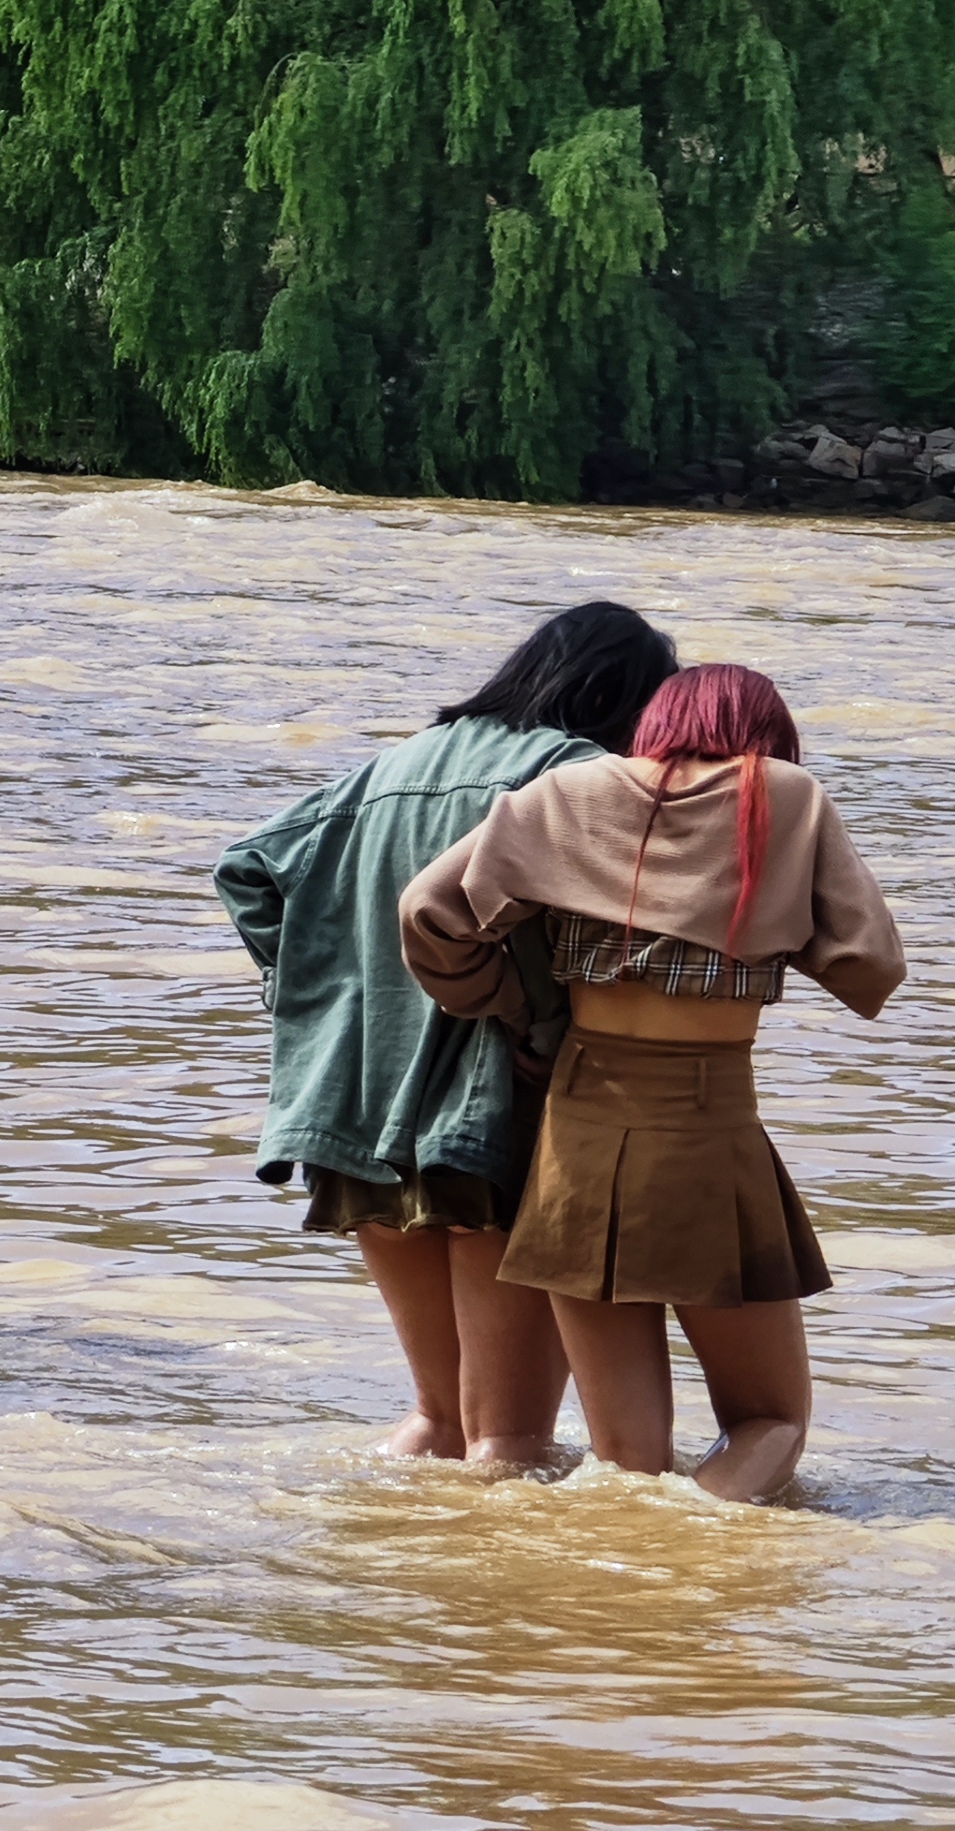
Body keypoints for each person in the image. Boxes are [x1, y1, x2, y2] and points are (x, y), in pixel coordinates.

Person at [399, 664, 905, 1504]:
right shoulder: (784, 795)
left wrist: (516, 1005)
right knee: (770, 1422)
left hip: (577, 1140)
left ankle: (621, 1592)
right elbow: (870, 967)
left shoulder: (568, 791)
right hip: (710, 1137)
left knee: (625, 1458)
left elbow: (430, 913)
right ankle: (691, 1556)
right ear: (763, 733)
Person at [214, 604, 676, 1465]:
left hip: (353, 1100)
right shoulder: (576, 773)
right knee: (510, 1440)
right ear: (622, 701)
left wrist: (318, 999)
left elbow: (246, 868)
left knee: (439, 1422)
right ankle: (480, 1605)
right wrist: (530, 1013)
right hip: (489, 1108)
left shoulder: (392, 765)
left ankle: (392, 1583)